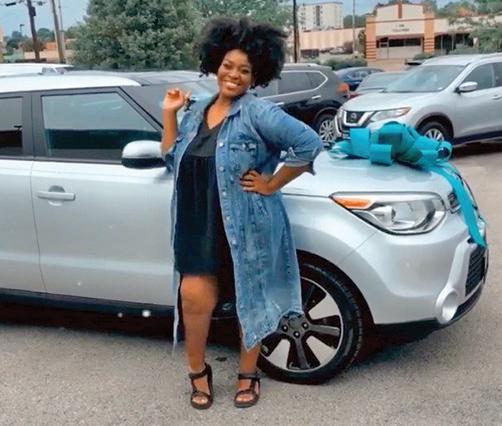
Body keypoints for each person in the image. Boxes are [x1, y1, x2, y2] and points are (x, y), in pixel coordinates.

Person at [161, 18, 323, 410]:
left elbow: (308, 142)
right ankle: (198, 371)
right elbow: (171, 158)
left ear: (256, 75)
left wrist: (271, 183)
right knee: (193, 298)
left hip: (246, 222)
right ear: (215, 63)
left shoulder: (257, 113)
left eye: (245, 70)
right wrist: (169, 113)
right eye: (228, 65)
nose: (233, 75)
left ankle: (248, 374)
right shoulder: (197, 110)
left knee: (252, 295)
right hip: (198, 221)